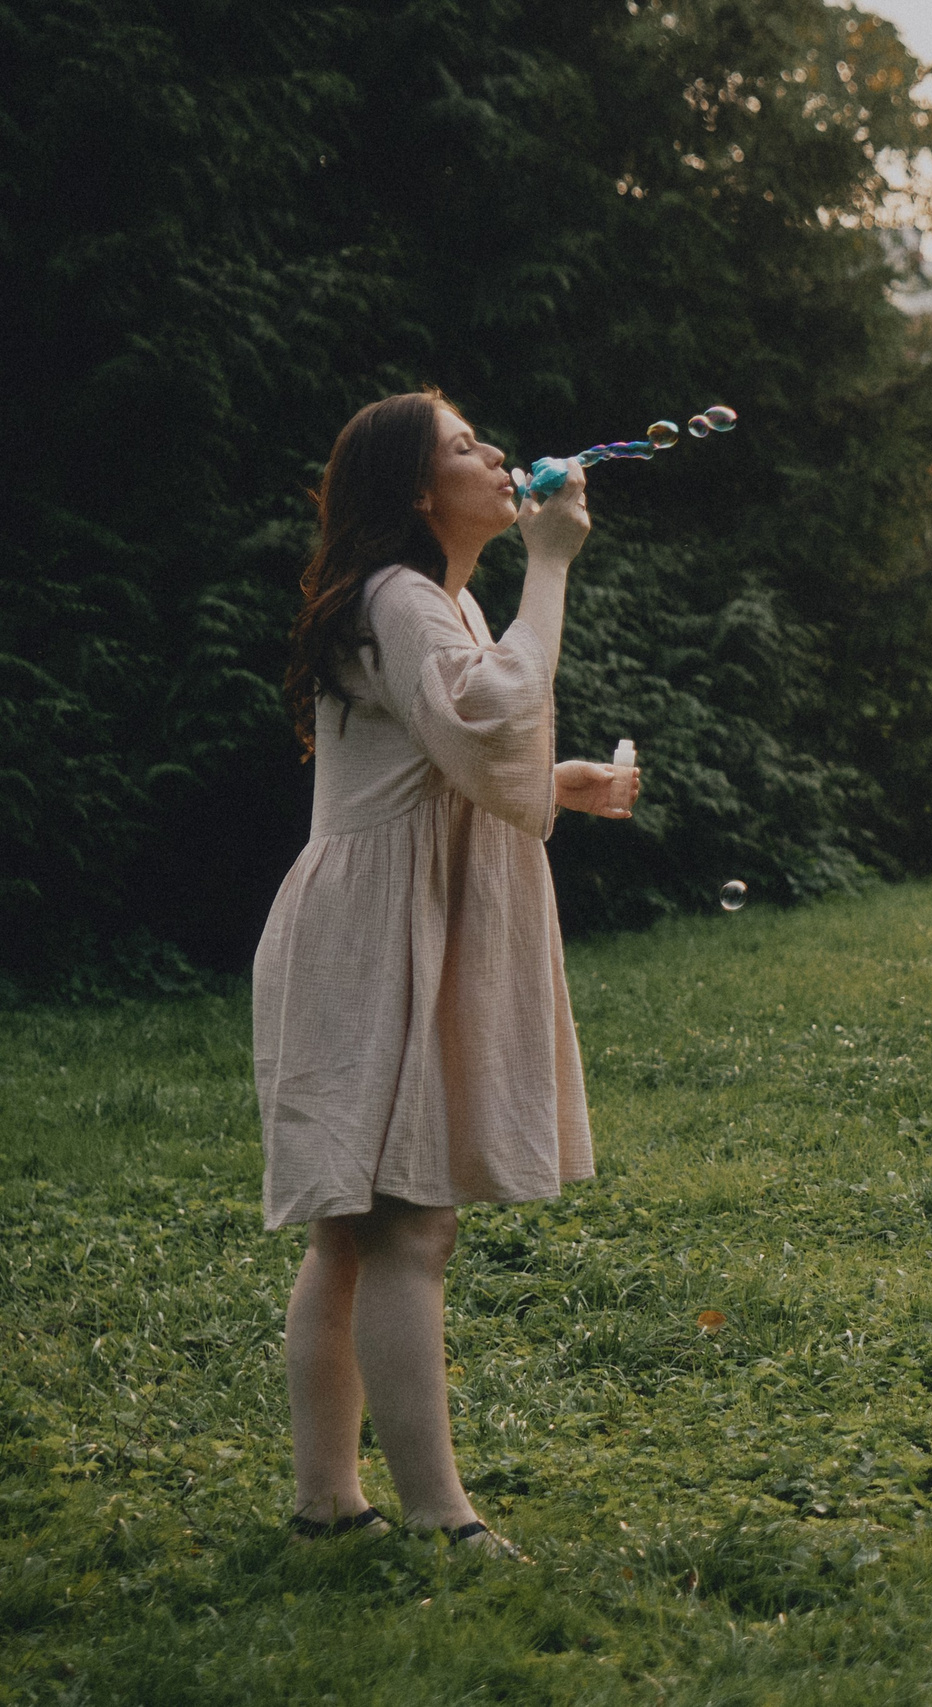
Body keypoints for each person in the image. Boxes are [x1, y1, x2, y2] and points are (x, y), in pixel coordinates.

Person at [255, 390, 636, 1554]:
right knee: (406, 1229)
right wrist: (556, 562)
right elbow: (488, 712)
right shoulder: (403, 596)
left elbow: (458, 745)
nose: (499, 457)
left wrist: (552, 780)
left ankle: (331, 1505)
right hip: (376, 935)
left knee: (355, 1232)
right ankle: (439, 1518)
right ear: (419, 492)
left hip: (375, 925)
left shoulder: (438, 600)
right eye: (468, 447)